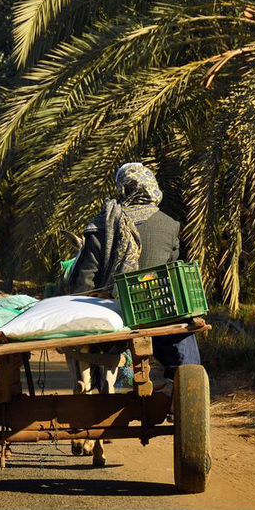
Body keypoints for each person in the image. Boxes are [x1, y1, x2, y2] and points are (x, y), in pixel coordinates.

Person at [68, 162, 201, 382]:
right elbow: (171, 269)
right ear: (151, 187)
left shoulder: (101, 224)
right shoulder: (169, 224)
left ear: (123, 188)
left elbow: (84, 281)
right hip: (155, 313)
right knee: (183, 335)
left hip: (111, 316)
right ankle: (181, 380)